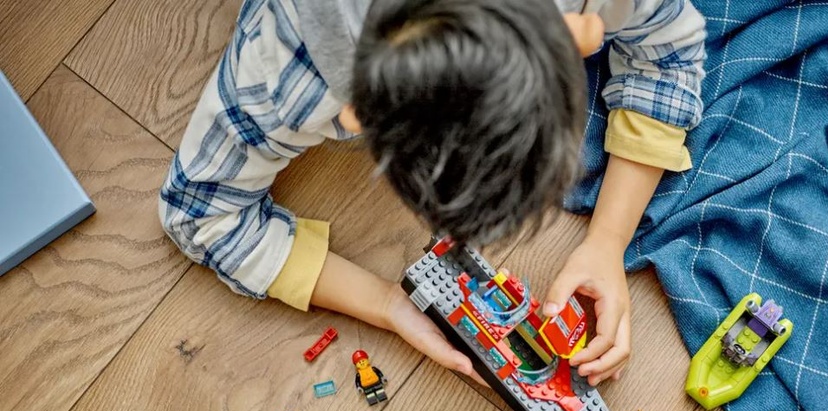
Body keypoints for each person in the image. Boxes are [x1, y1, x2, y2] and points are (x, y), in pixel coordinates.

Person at [160, 0, 706, 385]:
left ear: (578, 32)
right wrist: (384, 303)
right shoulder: (288, 76)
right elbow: (202, 216)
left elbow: (670, 52)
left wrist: (608, 242)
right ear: (354, 116)